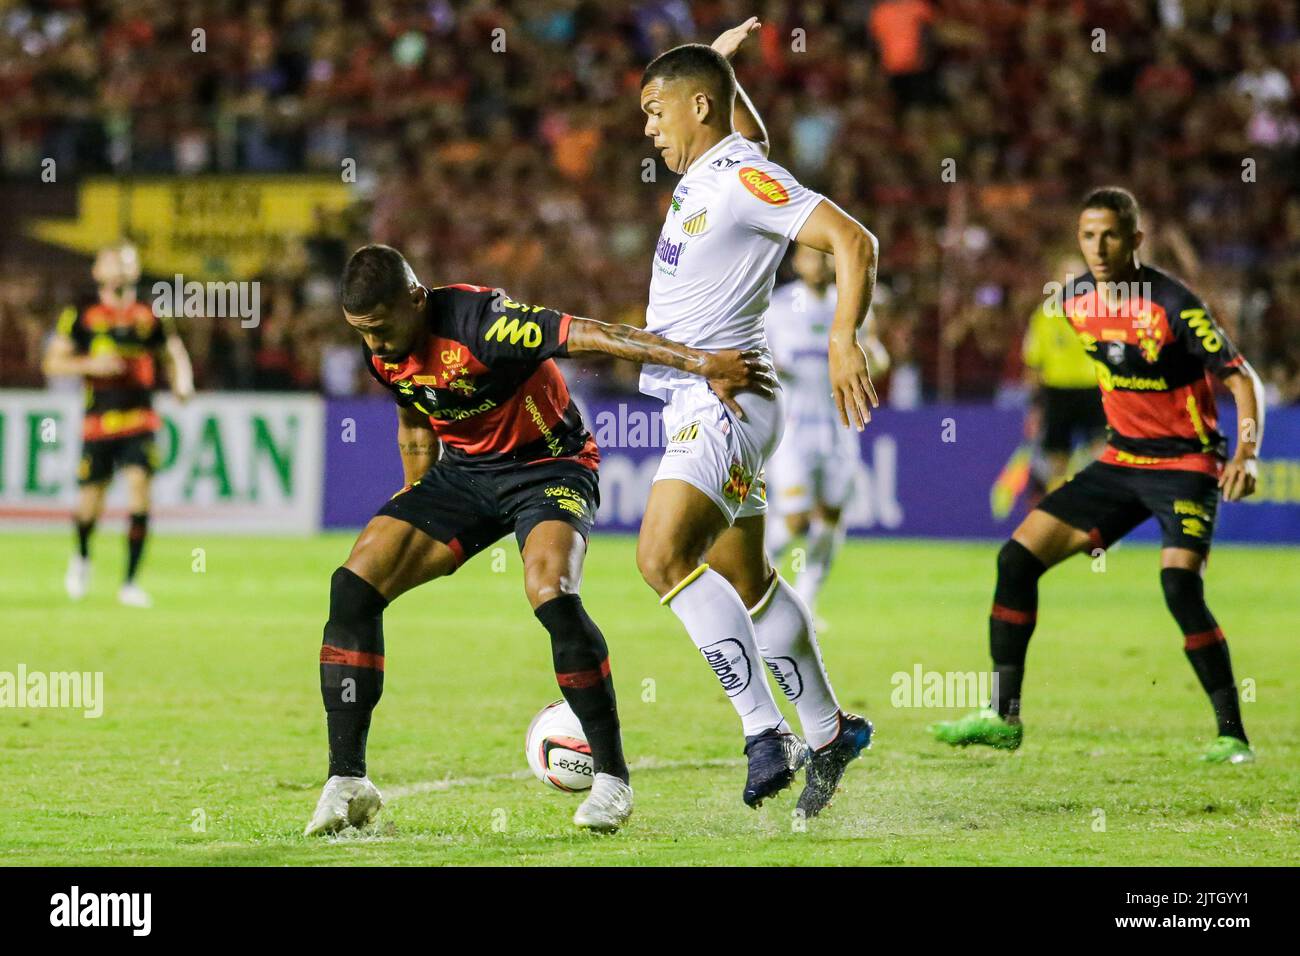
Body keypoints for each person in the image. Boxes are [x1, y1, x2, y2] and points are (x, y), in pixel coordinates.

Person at [305, 244, 776, 836]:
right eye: (361, 333)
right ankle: (347, 781)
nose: (372, 346)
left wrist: (702, 363)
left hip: (550, 466)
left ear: (415, 300)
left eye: (379, 330)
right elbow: (413, 413)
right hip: (465, 475)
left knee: (549, 590)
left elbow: (597, 335)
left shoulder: (485, 325)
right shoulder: (385, 348)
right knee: (352, 585)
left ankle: (613, 780)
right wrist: (417, 498)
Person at [634, 18, 880, 816]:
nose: (647, 128)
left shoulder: (737, 180)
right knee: (747, 579)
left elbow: (853, 240)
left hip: (725, 397)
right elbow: (754, 135)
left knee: (662, 557)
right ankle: (827, 727)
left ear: (697, 108)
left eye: (655, 111)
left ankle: (760, 729)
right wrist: (723, 66)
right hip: (702, 401)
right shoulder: (719, 166)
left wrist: (844, 339)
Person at [931, 188, 1264, 764]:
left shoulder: (1173, 304)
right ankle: (1003, 716)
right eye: (1088, 235)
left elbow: (1241, 377)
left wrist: (1247, 453)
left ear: (1135, 239)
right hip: (1119, 462)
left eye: (1111, 235)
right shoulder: (1074, 300)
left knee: (1180, 587)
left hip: (1184, 464)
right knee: (1015, 560)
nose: (1099, 247)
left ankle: (1232, 734)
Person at [42, 243, 194, 608]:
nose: (122, 269)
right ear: (98, 271)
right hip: (98, 422)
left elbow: (171, 350)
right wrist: (90, 366)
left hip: (140, 418)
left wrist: (182, 381)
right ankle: (81, 558)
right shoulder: (81, 314)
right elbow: (52, 363)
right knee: (89, 503)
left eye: (128, 263)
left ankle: (129, 583)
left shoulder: (149, 315)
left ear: (137, 271)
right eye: (114, 262)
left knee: (140, 490)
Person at [765, 246, 888, 623]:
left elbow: (877, 360)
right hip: (793, 429)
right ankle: (752, 583)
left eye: (825, 256)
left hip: (839, 426)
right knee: (796, 518)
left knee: (831, 516)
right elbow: (757, 355)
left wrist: (873, 358)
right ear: (797, 263)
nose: (818, 263)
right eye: (811, 256)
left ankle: (805, 602)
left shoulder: (850, 305)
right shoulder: (778, 307)